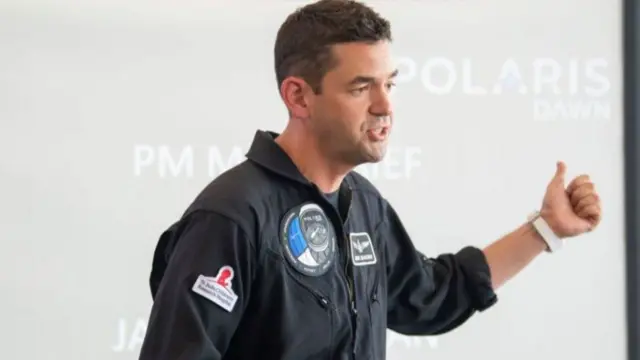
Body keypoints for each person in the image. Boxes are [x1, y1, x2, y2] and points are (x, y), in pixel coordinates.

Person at [138, 0, 602, 359]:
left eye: (390, 84)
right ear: (298, 96)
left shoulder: (362, 204)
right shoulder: (232, 216)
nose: (385, 106)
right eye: (362, 87)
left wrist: (545, 229)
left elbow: (431, 297)